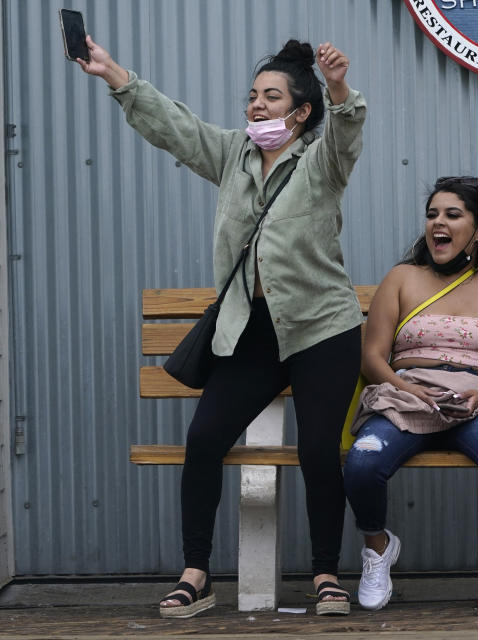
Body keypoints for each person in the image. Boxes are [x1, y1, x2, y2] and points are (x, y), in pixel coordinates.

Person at [76, 36, 366, 617]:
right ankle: (197, 572)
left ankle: (327, 573)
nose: (256, 106)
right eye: (253, 97)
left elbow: (346, 128)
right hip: (249, 330)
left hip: (322, 330)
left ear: (301, 110)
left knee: (316, 450)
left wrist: (338, 87)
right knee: (205, 438)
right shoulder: (232, 154)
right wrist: (116, 76)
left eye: (271, 97)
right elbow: (174, 127)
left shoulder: (321, 159)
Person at [342, 177, 478, 611]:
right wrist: (409, 390)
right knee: (363, 460)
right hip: (407, 401)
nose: (438, 223)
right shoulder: (403, 278)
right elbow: (372, 356)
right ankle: (378, 547)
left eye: (452, 215)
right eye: (433, 214)